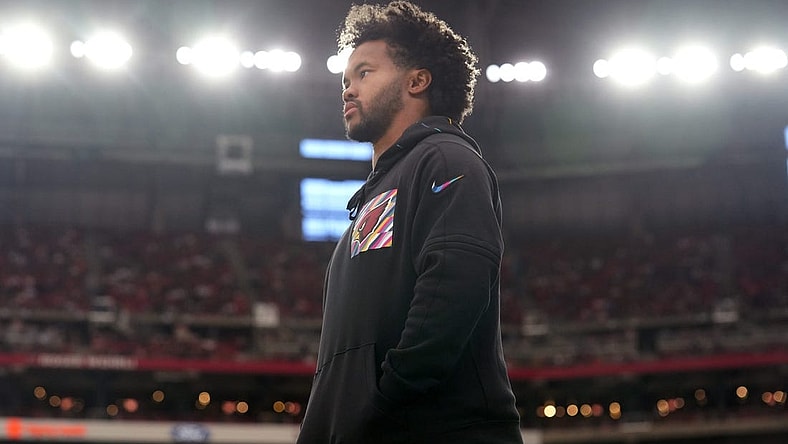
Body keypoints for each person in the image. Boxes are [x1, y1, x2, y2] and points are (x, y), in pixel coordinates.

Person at [296, 2, 523, 443]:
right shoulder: (370, 201)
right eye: (345, 80)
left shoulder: (447, 159)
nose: (347, 89)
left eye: (364, 73)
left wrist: (385, 402)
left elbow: (454, 287)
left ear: (417, 81)